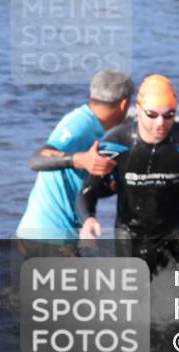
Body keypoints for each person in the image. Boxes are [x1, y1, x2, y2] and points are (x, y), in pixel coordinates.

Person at [78, 75, 179, 275]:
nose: (160, 123)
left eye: (169, 115)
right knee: (135, 302)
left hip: (178, 235)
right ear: (138, 110)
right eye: (152, 115)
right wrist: (88, 220)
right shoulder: (114, 144)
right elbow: (88, 192)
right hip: (130, 237)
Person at [15, 70, 133, 257]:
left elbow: (82, 185)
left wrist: (111, 187)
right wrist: (79, 159)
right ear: (125, 104)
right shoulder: (79, 124)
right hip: (47, 237)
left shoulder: (107, 132)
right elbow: (37, 159)